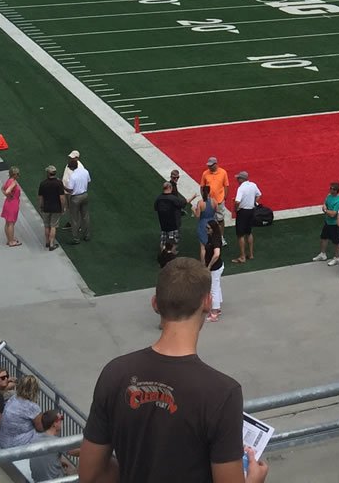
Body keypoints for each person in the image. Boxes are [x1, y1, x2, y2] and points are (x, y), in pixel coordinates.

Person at [78, 258, 264, 483]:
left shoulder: (115, 373)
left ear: (155, 303)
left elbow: (91, 474)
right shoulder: (223, 392)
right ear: (207, 302)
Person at [0, 375, 44, 450]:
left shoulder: (13, 398)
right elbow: (40, 428)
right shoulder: (32, 407)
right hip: (16, 445)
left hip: (4, 441)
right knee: (49, 434)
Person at [232, 170, 261, 264]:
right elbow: (259, 195)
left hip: (242, 212)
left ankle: (242, 256)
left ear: (241, 179)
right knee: (249, 232)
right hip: (251, 211)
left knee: (240, 234)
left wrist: (235, 209)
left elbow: (237, 201)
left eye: (238, 178)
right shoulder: (253, 185)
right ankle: (251, 254)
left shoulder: (241, 188)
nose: (237, 180)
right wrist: (254, 203)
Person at [155, 179, 186, 263]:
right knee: (173, 242)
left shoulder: (158, 198)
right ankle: (170, 256)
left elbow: (156, 208)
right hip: (172, 224)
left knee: (163, 241)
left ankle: (163, 256)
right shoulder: (173, 198)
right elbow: (182, 204)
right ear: (170, 188)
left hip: (163, 225)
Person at [65, 149, 91, 243]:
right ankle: (87, 235)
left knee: (74, 219)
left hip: (75, 198)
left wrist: (63, 186)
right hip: (85, 195)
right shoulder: (85, 171)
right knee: (85, 216)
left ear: (72, 168)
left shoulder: (73, 176)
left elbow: (70, 190)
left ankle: (76, 238)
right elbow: (88, 181)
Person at [314, 180, 339, 263]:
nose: (330, 190)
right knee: (324, 237)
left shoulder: (338, 201)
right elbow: (325, 202)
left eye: (331, 189)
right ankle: (322, 254)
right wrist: (324, 206)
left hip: (334, 224)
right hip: (327, 222)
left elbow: (333, 214)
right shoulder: (329, 195)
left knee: (336, 242)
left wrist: (325, 210)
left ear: (335, 191)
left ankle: (336, 258)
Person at [38, 165, 66, 252]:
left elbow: (40, 197)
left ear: (48, 173)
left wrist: (41, 206)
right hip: (56, 208)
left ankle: (47, 242)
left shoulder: (43, 183)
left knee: (47, 225)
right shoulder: (59, 183)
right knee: (53, 226)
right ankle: (51, 244)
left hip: (46, 207)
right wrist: (63, 207)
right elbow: (62, 197)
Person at [202, 219, 226, 321]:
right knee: (216, 286)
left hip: (215, 268)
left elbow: (216, 254)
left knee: (213, 289)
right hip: (216, 267)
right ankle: (217, 306)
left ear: (213, 229)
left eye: (208, 228)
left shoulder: (215, 239)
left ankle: (215, 312)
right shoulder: (212, 236)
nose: (206, 230)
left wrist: (209, 266)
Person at [1, 166, 23, 247]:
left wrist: (8, 196)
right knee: (11, 223)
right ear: (14, 175)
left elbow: (2, 189)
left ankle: (9, 239)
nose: (18, 175)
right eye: (17, 174)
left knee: (7, 223)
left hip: (7, 203)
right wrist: (10, 195)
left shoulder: (8, 180)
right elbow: (7, 191)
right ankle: (11, 241)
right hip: (13, 204)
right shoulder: (13, 182)